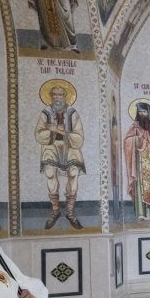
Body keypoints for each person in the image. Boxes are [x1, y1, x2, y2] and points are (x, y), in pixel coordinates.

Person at [36, 83, 86, 229]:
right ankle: (55, 211)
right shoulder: (45, 113)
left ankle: (70, 212)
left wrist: (61, 131)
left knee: (73, 172)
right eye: (55, 95)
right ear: (51, 96)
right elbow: (38, 135)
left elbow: (79, 138)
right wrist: (52, 131)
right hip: (51, 147)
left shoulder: (72, 113)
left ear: (65, 97)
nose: (58, 98)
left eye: (61, 95)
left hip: (70, 147)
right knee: (50, 173)